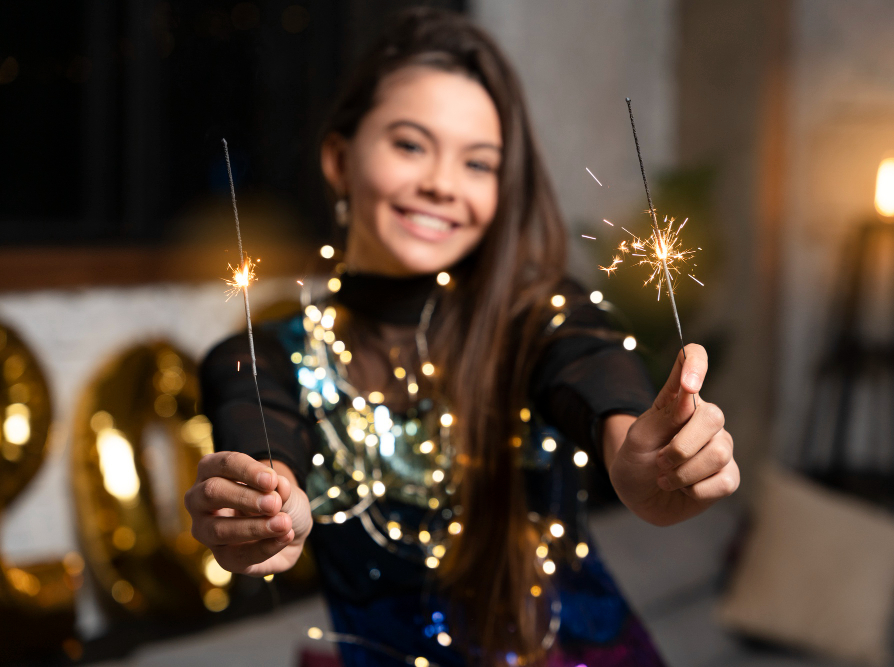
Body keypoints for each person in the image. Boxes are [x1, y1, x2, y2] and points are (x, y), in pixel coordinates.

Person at [185, 8, 738, 667]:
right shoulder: (264, 356)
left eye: (479, 163)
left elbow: (590, 364)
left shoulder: (539, 316)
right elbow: (263, 441)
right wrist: (266, 508)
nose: (442, 184)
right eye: (411, 145)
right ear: (339, 157)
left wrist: (637, 455)